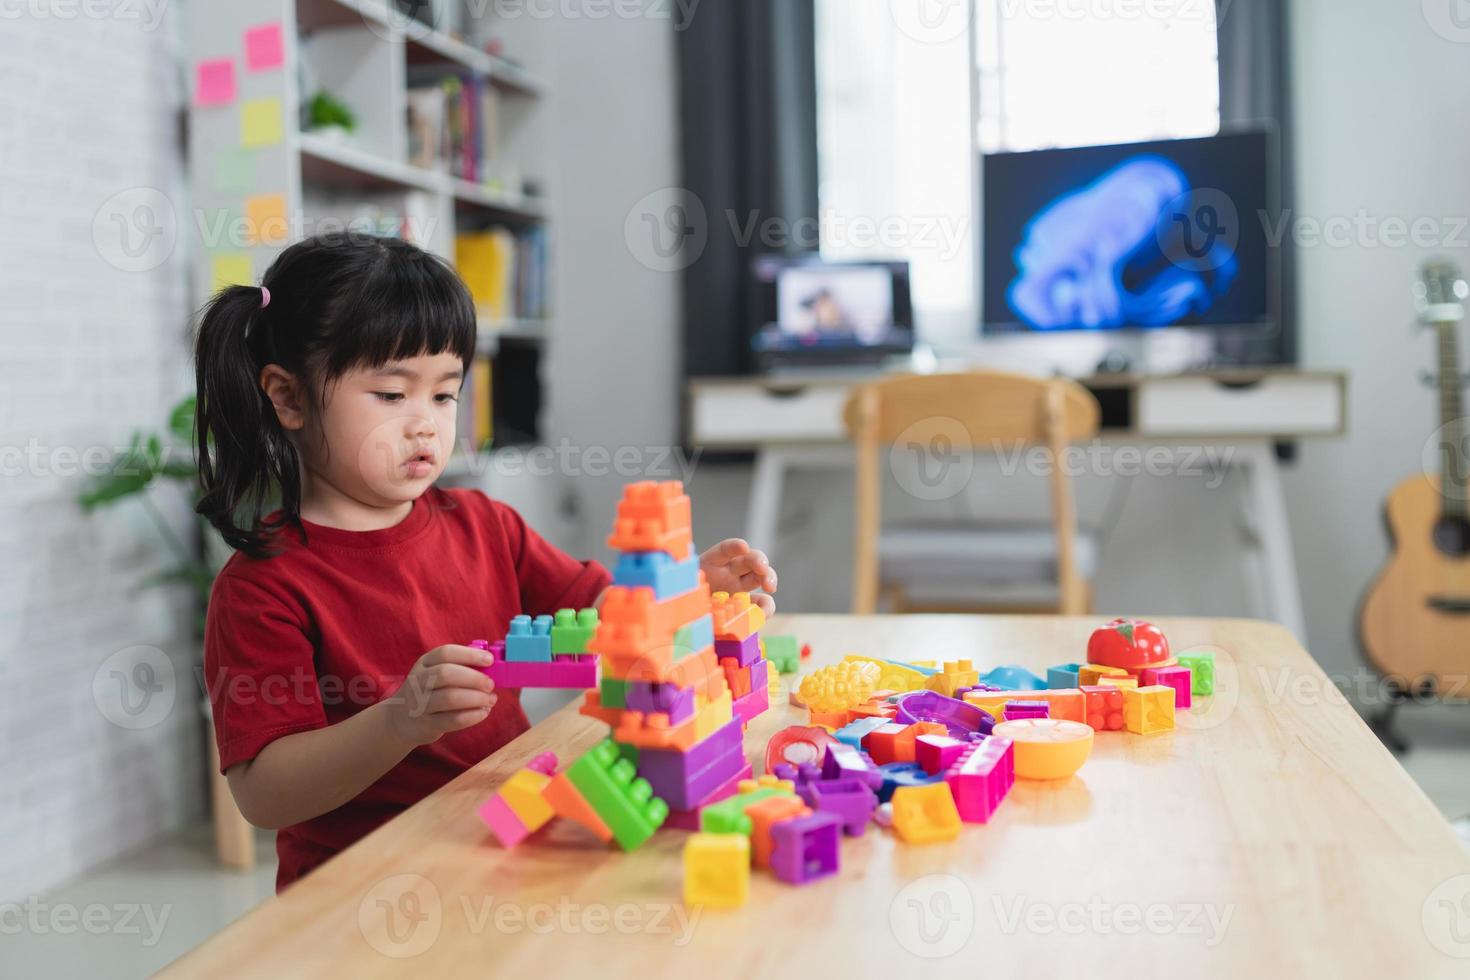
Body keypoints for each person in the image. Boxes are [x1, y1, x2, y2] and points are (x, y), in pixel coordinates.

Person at [195, 235, 777, 890]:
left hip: (501, 839)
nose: (426, 424)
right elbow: (265, 795)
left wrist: (691, 587)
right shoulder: (261, 590)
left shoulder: (482, 523)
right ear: (289, 397)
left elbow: (609, 611)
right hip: (366, 885)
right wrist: (397, 722)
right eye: (391, 395)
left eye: (444, 396)